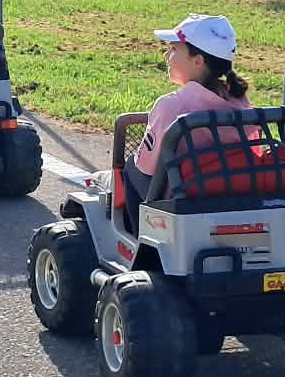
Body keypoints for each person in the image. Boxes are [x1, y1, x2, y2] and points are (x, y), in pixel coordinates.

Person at [98, 14, 256, 224]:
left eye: (173, 49)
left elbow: (147, 167)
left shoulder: (171, 106)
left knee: (131, 166)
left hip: (183, 201)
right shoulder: (241, 102)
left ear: (198, 61)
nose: (166, 55)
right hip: (231, 191)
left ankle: (138, 234)